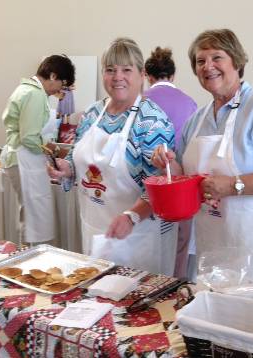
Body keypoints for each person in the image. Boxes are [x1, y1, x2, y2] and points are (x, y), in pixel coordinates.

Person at [152, 29, 253, 302]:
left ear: (236, 61)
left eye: (217, 57)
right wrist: (168, 164)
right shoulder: (197, 119)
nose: (208, 66)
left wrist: (234, 185)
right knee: (221, 328)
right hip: (214, 245)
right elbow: (186, 178)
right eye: (200, 61)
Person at [47, 38, 177, 275]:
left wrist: (131, 217)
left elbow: (161, 186)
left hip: (138, 238)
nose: (118, 77)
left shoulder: (152, 121)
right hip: (95, 227)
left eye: (126, 70)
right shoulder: (93, 112)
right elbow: (77, 155)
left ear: (141, 74)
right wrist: (67, 169)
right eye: (110, 70)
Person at [0, 55, 75, 245]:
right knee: (34, 218)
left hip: (20, 157)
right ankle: (30, 265)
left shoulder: (26, 89)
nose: (61, 91)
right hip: (24, 159)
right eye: (62, 84)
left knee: (30, 217)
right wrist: (53, 149)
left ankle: (28, 261)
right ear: (52, 75)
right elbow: (29, 137)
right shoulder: (34, 94)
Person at [144, 47, 198, 278]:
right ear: (173, 75)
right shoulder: (190, 104)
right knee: (180, 245)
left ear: (147, 75)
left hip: (144, 186)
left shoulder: (141, 102)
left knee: (146, 248)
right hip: (178, 186)